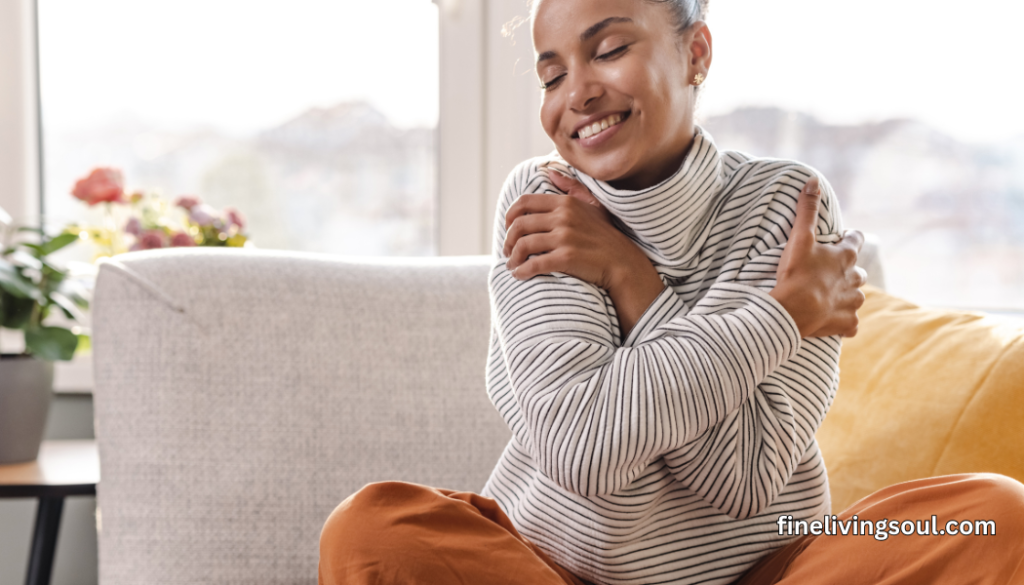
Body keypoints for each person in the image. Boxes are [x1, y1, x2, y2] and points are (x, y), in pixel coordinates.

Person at [317, 1, 1024, 583]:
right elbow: (582, 449)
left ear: (696, 54)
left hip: (762, 570)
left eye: (609, 49)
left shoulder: (787, 204)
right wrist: (780, 318)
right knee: (373, 529)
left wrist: (632, 278)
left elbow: (744, 478)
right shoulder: (544, 200)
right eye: (552, 73)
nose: (577, 93)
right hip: (555, 569)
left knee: (992, 515)